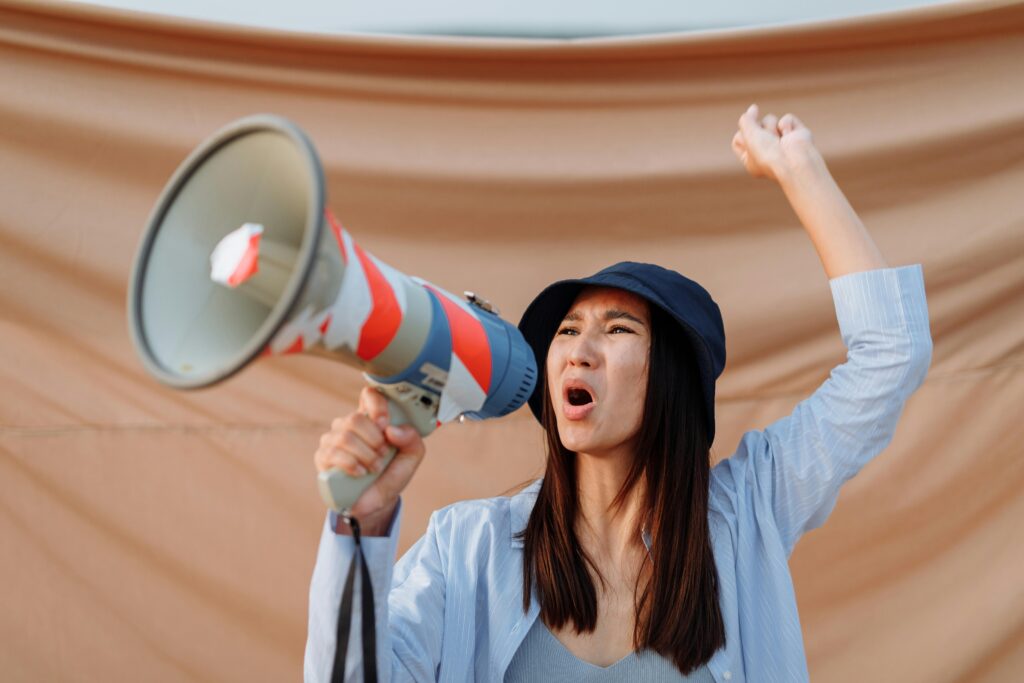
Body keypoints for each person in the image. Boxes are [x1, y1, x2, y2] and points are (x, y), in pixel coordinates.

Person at [304, 105, 933, 682]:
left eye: (618, 329)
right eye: (568, 331)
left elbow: (890, 354)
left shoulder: (748, 516)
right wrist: (362, 526)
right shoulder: (467, 548)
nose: (578, 349)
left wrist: (801, 172)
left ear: (674, 377)